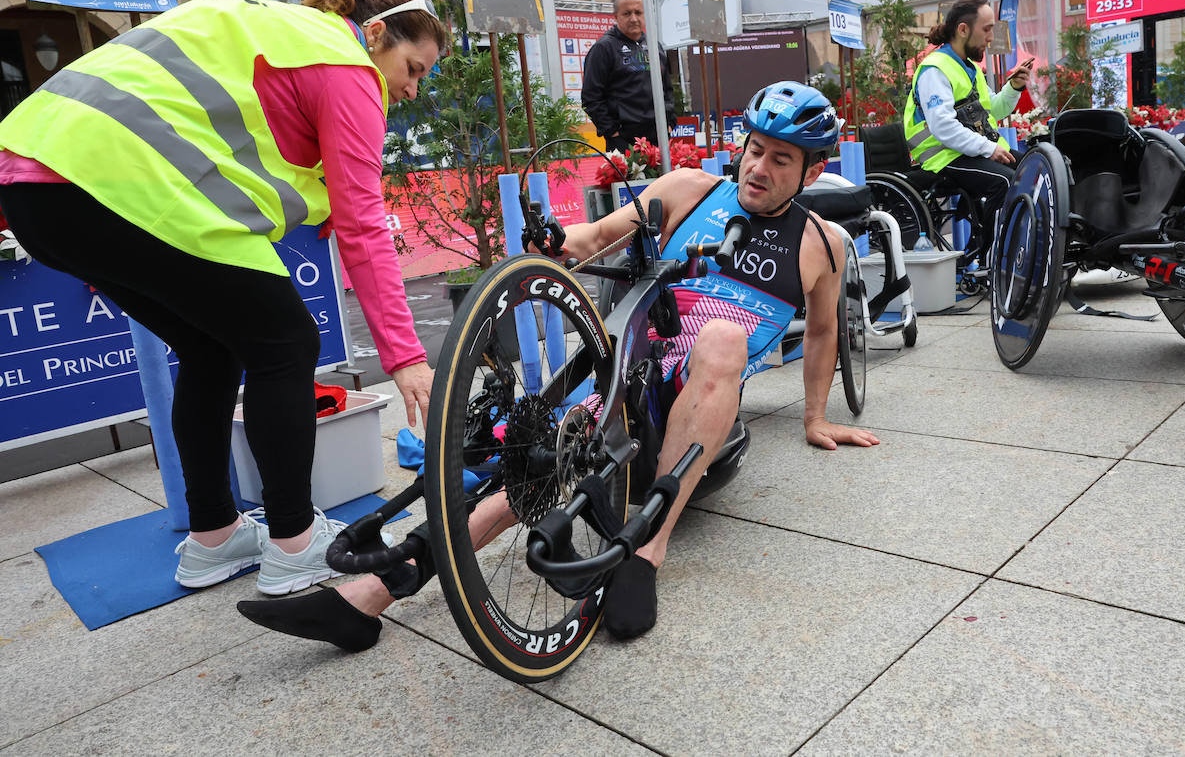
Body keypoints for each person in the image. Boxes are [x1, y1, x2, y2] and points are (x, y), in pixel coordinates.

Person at [234, 81, 881, 651]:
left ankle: (647, 551)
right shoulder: (691, 191)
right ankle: (371, 595)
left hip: (710, 412)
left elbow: (824, 332)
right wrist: (554, 244)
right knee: (539, 464)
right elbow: (596, 239)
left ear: (813, 170)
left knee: (722, 341)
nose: (759, 167)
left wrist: (815, 418)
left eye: (781, 159)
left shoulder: (825, 244)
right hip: (638, 367)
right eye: (755, 149)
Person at [0, 0, 447, 596]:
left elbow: (249, 147)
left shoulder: (277, 29)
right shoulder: (347, 64)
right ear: (375, 34)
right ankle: (294, 543)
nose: (411, 88)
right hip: (113, 183)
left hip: (39, 185)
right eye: (414, 67)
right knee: (287, 343)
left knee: (212, 348)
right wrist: (405, 357)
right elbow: (364, 225)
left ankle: (213, 536)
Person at [903, 0, 1032, 247]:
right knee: (1005, 181)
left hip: (966, 151)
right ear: (963, 29)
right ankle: (990, 256)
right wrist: (988, 148)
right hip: (942, 156)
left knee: (1035, 166)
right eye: (986, 30)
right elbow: (943, 127)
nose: (991, 38)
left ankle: (1022, 247)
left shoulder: (970, 68)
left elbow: (992, 109)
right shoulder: (935, 69)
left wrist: (1014, 87)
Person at [581, 0, 674, 153]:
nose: (634, 18)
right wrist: (612, 132)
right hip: (624, 140)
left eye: (638, 12)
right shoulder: (603, 48)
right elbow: (591, 98)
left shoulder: (655, 46)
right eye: (627, 13)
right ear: (616, 16)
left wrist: (669, 123)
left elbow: (667, 88)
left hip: (658, 137)